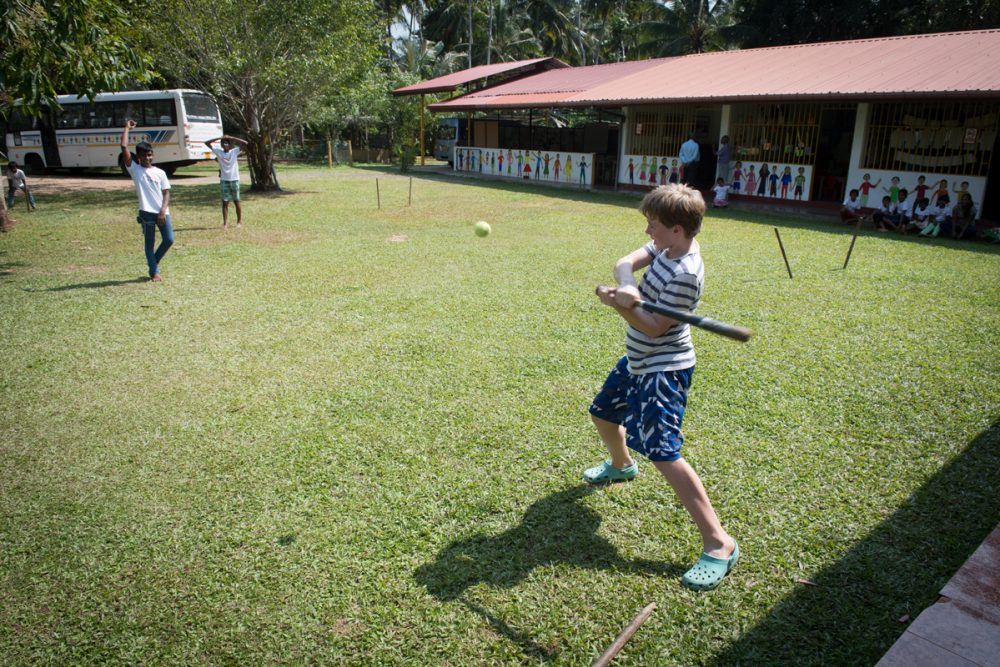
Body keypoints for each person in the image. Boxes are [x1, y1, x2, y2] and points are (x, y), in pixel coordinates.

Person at [585, 183, 739, 592]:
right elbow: (627, 260)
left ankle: (719, 542)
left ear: (677, 228)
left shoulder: (687, 274)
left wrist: (621, 305)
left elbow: (654, 330)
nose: (648, 230)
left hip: (662, 368)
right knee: (602, 412)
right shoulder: (668, 248)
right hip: (637, 361)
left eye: (653, 224)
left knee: (663, 453)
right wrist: (626, 283)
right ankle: (621, 465)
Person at [121, 120, 172, 282]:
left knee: (169, 240)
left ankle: (153, 262)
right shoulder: (135, 170)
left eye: (149, 155)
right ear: (139, 157)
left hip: (162, 212)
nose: (147, 158)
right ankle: (154, 271)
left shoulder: (160, 172)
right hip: (146, 213)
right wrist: (127, 128)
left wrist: (163, 211)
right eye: (144, 155)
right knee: (149, 243)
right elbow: (124, 148)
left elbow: (166, 193)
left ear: (153, 155)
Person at [205, 134, 249, 228]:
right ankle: (225, 223)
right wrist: (220, 138)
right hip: (224, 180)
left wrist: (232, 138)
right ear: (221, 145)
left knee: (236, 201)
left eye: (227, 143)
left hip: (234, 179)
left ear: (230, 145)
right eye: (223, 143)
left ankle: (239, 222)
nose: (225, 144)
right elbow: (207, 143)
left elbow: (246, 143)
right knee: (225, 202)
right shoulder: (218, 152)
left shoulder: (234, 152)